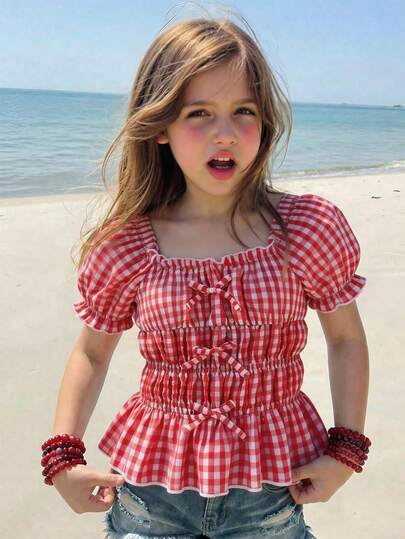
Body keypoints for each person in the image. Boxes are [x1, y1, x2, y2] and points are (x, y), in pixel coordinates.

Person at [42, 15, 371, 539]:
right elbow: (91, 354)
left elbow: (346, 340)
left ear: (265, 122)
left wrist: (346, 451)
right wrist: (63, 457)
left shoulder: (306, 229)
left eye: (244, 111)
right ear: (161, 127)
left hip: (269, 492)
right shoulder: (126, 244)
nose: (225, 133)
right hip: (151, 495)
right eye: (199, 113)